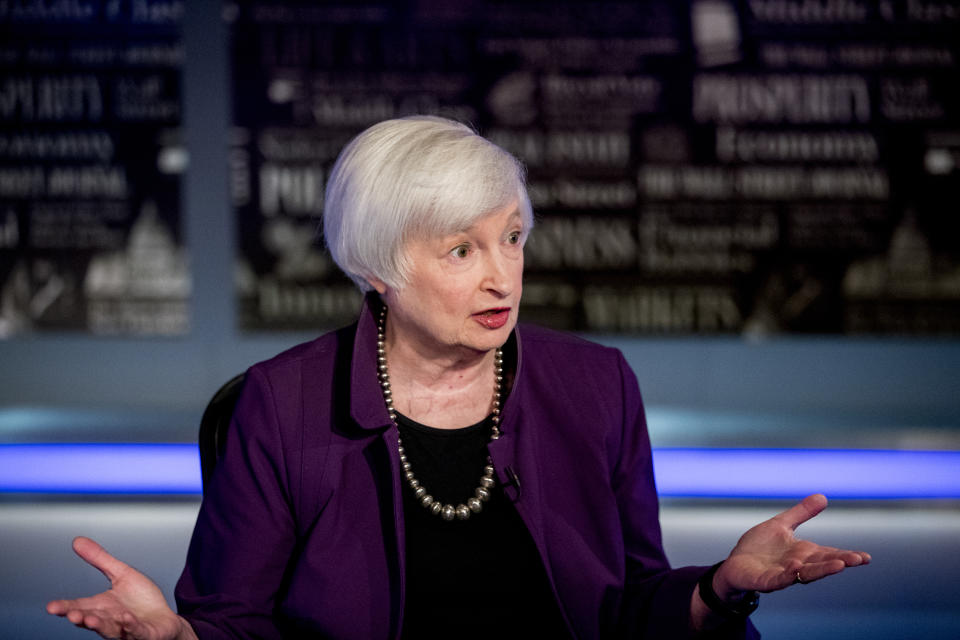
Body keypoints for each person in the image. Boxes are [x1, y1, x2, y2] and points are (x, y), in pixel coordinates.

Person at [47, 116, 870, 639]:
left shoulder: (596, 386)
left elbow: (629, 612)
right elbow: (234, 624)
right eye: (461, 250)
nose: (502, 278)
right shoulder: (282, 404)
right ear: (377, 266)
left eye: (512, 238)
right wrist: (176, 639)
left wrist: (721, 589)